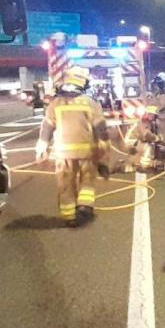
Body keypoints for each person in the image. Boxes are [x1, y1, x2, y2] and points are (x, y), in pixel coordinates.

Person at [36, 66, 110, 227]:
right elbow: (100, 128)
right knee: (87, 180)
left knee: (65, 184)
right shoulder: (91, 103)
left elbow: (47, 127)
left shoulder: (55, 104)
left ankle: (69, 216)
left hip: (63, 153)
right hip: (87, 152)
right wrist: (104, 149)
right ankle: (85, 206)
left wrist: (41, 148)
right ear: (83, 82)